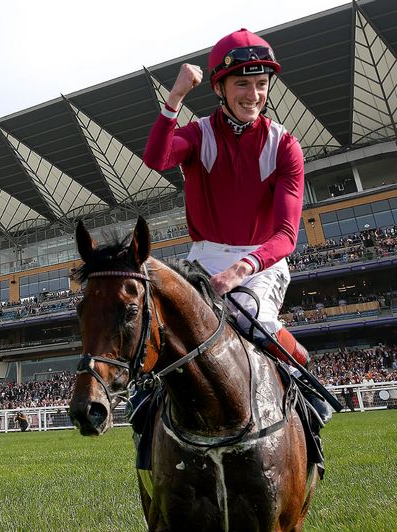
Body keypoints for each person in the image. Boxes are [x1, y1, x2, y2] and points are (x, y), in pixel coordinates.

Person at [141, 28, 332, 423]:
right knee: (166, 323)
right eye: (242, 83)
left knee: (248, 317)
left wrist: (241, 269)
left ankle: (300, 375)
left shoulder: (285, 146)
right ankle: (147, 406)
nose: (254, 94)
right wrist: (174, 98)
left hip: (260, 260)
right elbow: (156, 159)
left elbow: (286, 236)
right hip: (204, 256)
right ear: (219, 88)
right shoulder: (198, 134)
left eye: (261, 84)